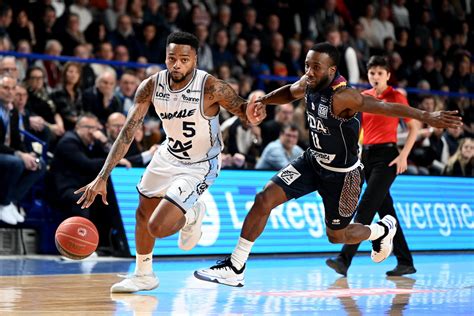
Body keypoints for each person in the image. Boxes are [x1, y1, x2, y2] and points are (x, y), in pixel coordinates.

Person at [193, 42, 462, 287]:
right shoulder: (310, 82)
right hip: (312, 161)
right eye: (307, 65)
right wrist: (264, 100)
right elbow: (290, 92)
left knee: (338, 236)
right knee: (264, 199)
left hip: (343, 176)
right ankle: (236, 265)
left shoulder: (345, 97)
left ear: (332, 70)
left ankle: (381, 229)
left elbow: (387, 108)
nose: (309, 71)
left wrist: (428, 115)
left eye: (315, 67)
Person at [74, 31, 262, 293]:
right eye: (171, 58)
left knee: (158, 227)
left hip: (200, 163)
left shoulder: (211, 87)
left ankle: (192, 214)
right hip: (168, 154)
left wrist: (253, 112)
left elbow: (243, 110)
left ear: (195, 59)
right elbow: (127, 132)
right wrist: (103, 175)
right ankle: (143, 274)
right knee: (142, 213)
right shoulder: (151, 85)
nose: (176, 64)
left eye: (184, 59)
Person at [326, 56, 420, 277]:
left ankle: (344, 259)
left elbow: (414, 127)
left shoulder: (397, 96)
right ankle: (405, 261)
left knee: (366, 206)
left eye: (380, 73)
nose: (375, 77)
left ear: (388, 75)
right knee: (386, 210)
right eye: (372, 73)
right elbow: (358, 128)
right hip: (366, 156)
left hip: (388, 156)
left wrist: (404, 155)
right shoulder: (363, 98)